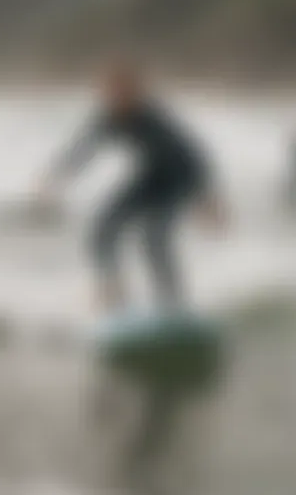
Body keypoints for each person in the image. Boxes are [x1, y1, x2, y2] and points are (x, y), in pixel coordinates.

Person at [40, 60, 224, 314]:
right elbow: (85, 147)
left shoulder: (153, 119)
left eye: (124, 91)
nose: (117, 97)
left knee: (153, 238)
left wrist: (207, 200)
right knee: (101, 230)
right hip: (149, 177)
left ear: (137, 91)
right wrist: (58, 175)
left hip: (179, 180)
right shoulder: (109, 117)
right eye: (112, 92)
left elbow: (192, 154)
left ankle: (172, 305)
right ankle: (115, 296)